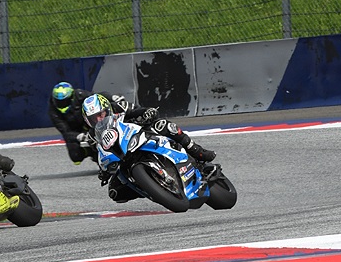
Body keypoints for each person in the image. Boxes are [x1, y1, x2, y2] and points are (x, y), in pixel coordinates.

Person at [82, 93, 216, 204]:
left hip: (138, 133)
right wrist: (104, 171)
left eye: (101, 114)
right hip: (122, 156)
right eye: (93, 119)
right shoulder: (92, 136)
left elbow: (138, 110)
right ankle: (153, 189)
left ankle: (197, 151)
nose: (99, 120)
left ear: (107, 109)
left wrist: (147, 113)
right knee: (115, 192)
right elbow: (101, 153)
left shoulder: (119, 107)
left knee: (163, 125)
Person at [49, 81, 129, 164]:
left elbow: (97, 97)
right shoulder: (53, 112)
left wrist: (112, 97)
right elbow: (65, 131)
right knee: (75, 156)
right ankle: (90, 152)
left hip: (88, 123)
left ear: (72, 97)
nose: (62, 104)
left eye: (64, 101)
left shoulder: (79, 95)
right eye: (59, 102)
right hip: (75, 131)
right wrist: (78, 136)